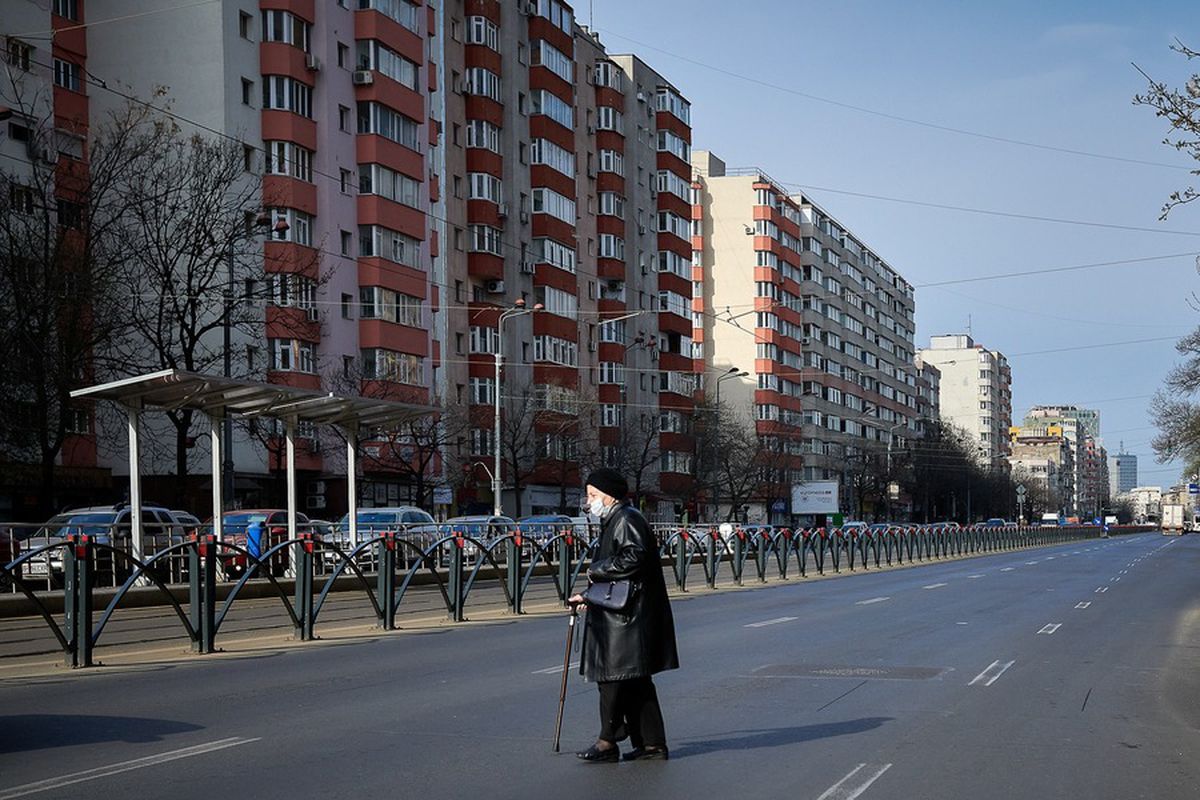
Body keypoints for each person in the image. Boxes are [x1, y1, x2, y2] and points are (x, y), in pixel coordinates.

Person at [569, 468, 678, 763]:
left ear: (609, 495)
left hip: (626, 618)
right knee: (635, 682)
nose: (589, 501)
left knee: (613, 680)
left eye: (593, 495)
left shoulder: (626, 519)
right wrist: (588, 595)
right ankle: (652, 745)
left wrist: (595, 570)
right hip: (625, 614)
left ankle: (608, 742)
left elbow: (633, 557)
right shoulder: (617, 519)